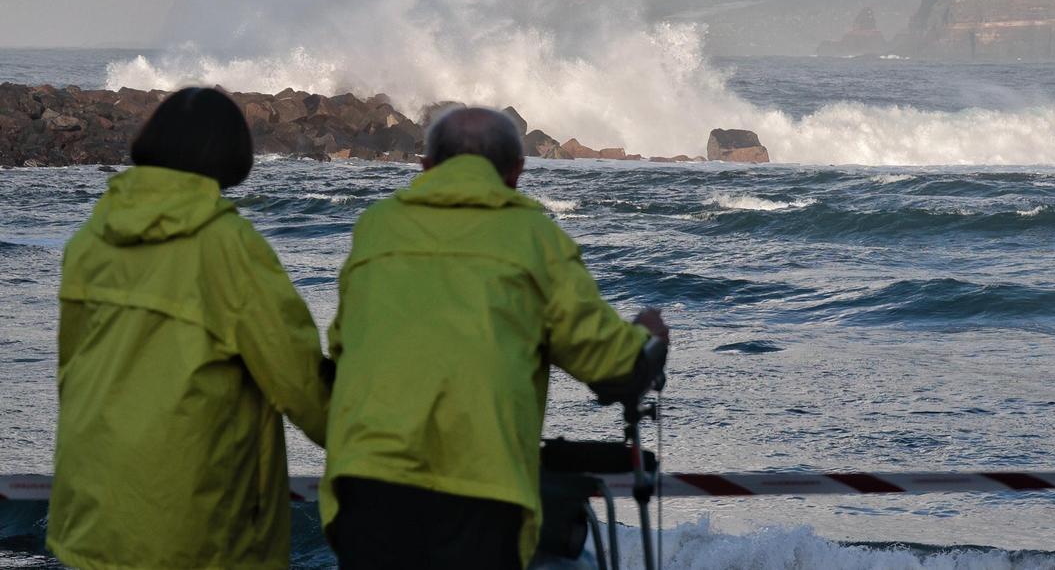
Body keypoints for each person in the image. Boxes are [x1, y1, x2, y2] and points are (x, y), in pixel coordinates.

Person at [320, 107, 669, 569]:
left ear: (425, 167)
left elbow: (342, 350)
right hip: (480, 492)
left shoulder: (375, 228)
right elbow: (612, 368)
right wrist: (649, 337)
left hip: (365, 486)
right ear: (517, 172)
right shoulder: (533, 237)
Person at [47, 88, 332, 570]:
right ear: (230, 155)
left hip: (92, 505)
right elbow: (300, 383)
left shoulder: (92, 238)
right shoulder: (227, 245)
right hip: (193, 522)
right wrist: (379, 445)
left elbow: (70, 370)